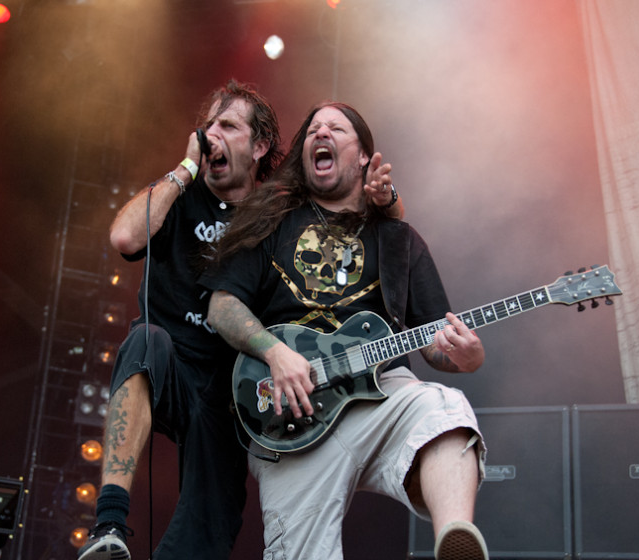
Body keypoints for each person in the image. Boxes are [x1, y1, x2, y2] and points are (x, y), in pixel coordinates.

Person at [79, 83, 402, 560]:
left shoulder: (277, 211)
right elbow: (126, 238)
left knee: (210, 528)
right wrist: (185, 168)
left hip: (235, 391)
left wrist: (388, 200)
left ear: (259, 146)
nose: (212, 135)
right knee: (144, 342)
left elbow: (365, 219)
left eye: (227, 126)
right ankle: (109, 523)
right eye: (208, 125)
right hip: (173, 363)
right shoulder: (178, 195)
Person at [202, 102, 490, 560]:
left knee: (444, 409)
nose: (321, 132)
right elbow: (222, 306)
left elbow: (438, 342)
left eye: (336, 127)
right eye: (313, 128)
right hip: (288, 415)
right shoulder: (271, 221)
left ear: (363, 158)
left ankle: (455, 540)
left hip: (379, 396)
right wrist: (275, 354)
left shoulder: (399, 239)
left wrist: (465, 357)